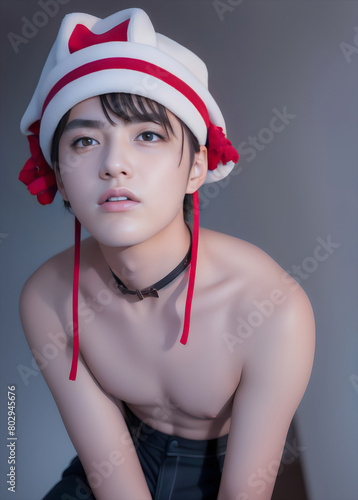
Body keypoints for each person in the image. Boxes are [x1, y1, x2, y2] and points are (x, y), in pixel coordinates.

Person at [18, 7, 315, 500]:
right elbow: (108, 471)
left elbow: (246, 491)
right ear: (60, 177)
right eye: (86, 140)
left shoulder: (271, 307)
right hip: (119, 469)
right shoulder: (47, 298)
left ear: (197, 167)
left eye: (148, 136)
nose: (115, 165)